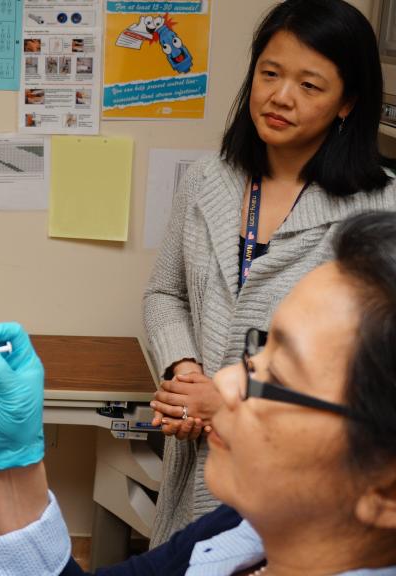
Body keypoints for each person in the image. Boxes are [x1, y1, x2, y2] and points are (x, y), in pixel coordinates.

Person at [0, 211, 396, 575]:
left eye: (280, 377)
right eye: (256, 349)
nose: (224, 384)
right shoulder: (239, 536)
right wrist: (18, 460)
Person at [143, 0, 396, 544]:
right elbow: (165, 293)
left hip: (306, 488)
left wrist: (231, 401)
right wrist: (185, 374)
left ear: (347, 103)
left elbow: (374, 374)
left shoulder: (382, 211)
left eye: (310, 85)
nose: (281, 97)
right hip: (199, 467)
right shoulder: (207, 180)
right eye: (270, 73)